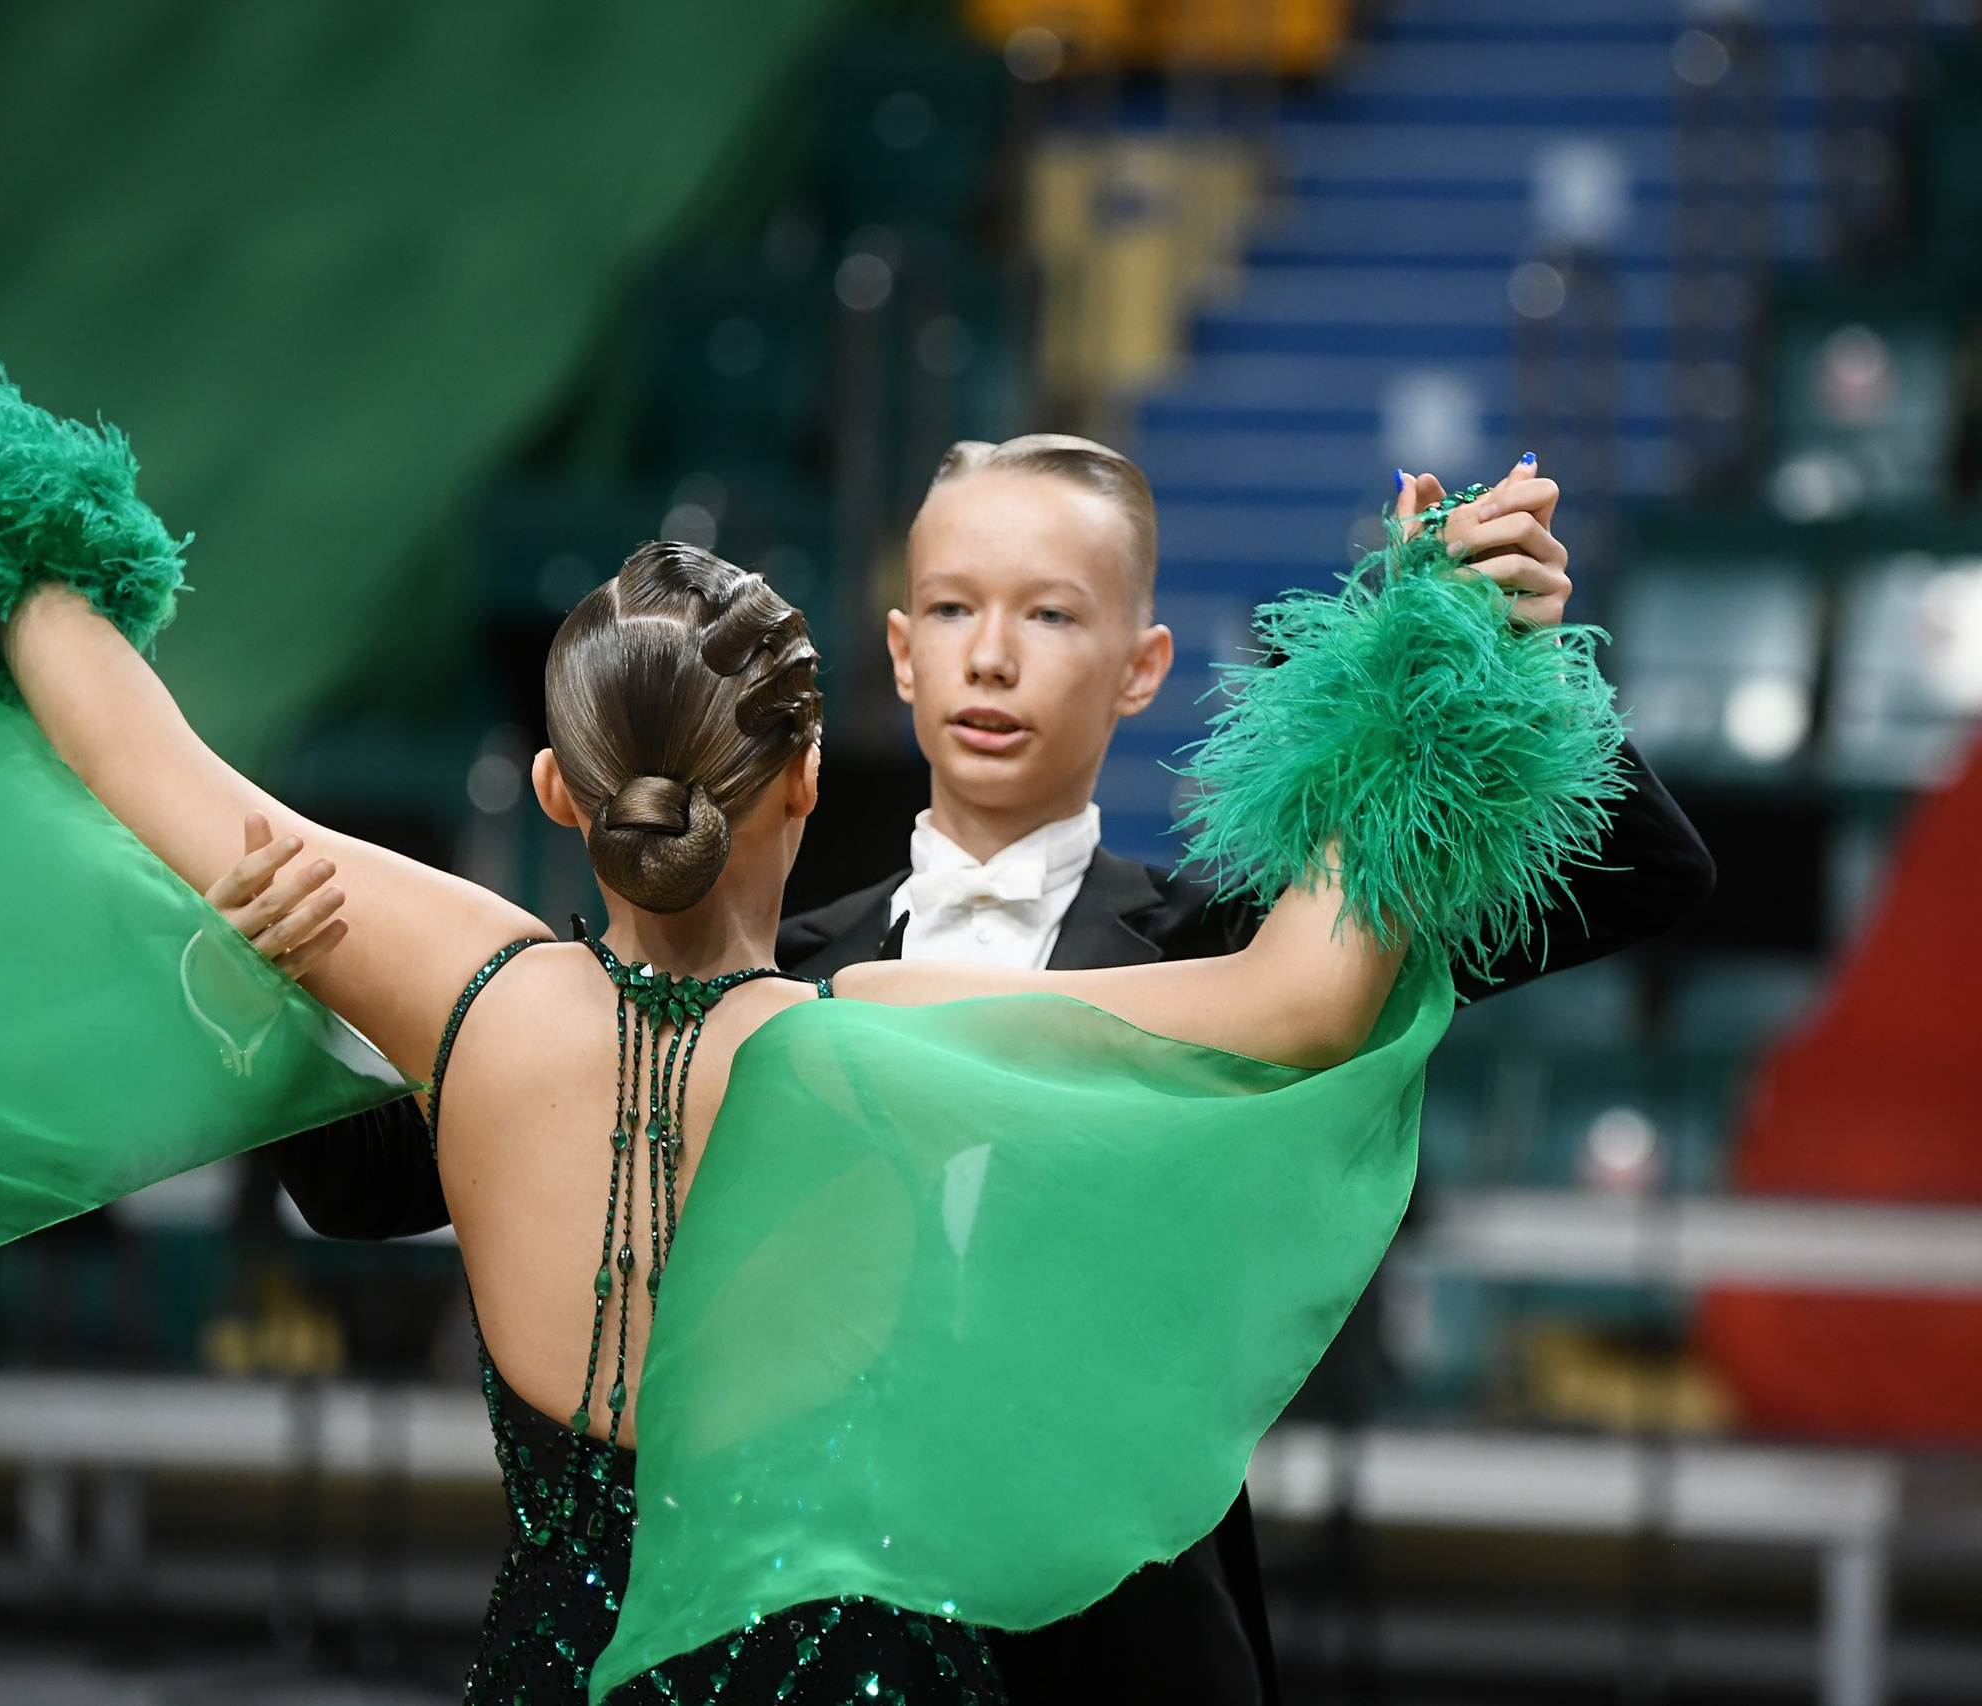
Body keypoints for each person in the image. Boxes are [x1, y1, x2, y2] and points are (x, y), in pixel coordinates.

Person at [0, 357, 1630, 1706]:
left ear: (562, 794)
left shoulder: (460, 993)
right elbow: (1308, 987)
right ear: (801, 788)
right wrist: (1430, 636)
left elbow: (150, 767)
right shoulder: (891, 1032)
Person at [271, 435, 1715, 1703]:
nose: (994, 654)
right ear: (896, 655)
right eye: (955, 608)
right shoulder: (763, 973)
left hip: (1125, 1645)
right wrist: (287, 972)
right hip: (802, 1651)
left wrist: (1483, 646)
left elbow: (1645, 871)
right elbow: (360, 1176)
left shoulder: (1226, 937)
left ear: (1144, 663)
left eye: (1051, 612)